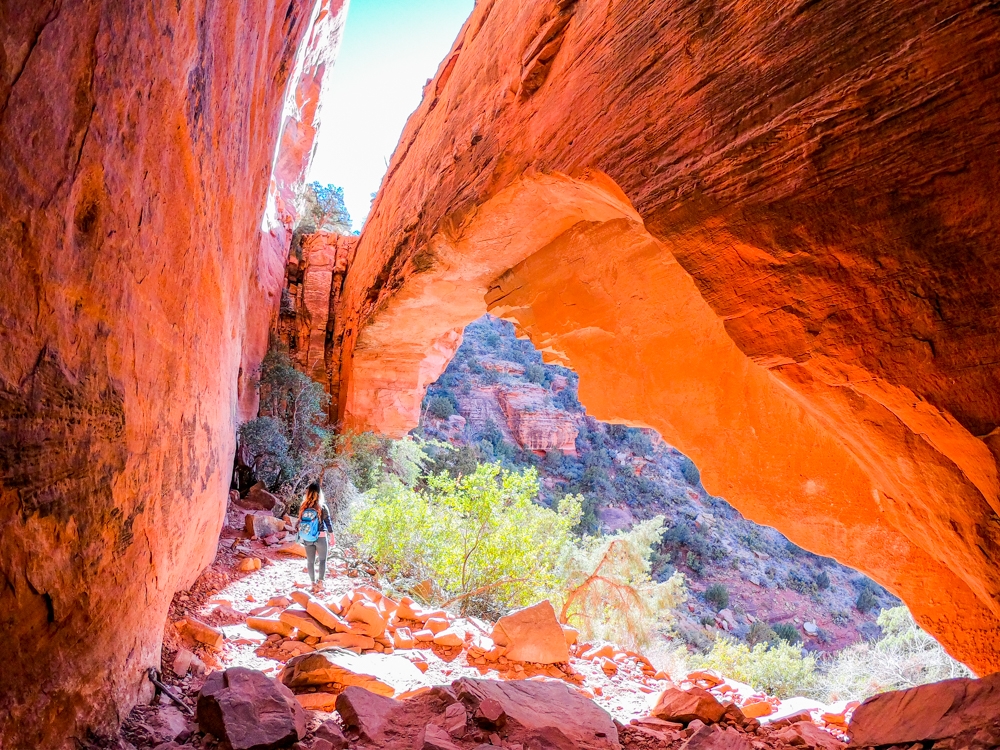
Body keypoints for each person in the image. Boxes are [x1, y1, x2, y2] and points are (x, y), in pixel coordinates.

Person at [297, 482, 334, 591]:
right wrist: (332, 536)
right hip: (321, 537)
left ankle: (313, 583)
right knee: (322, 560)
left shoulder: (303, 506)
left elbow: (300, 522)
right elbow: (328, 523)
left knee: (310, 561)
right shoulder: (322, 507)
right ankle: (321, 583)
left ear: (307, 493)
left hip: (308, 538)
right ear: (319, 493)